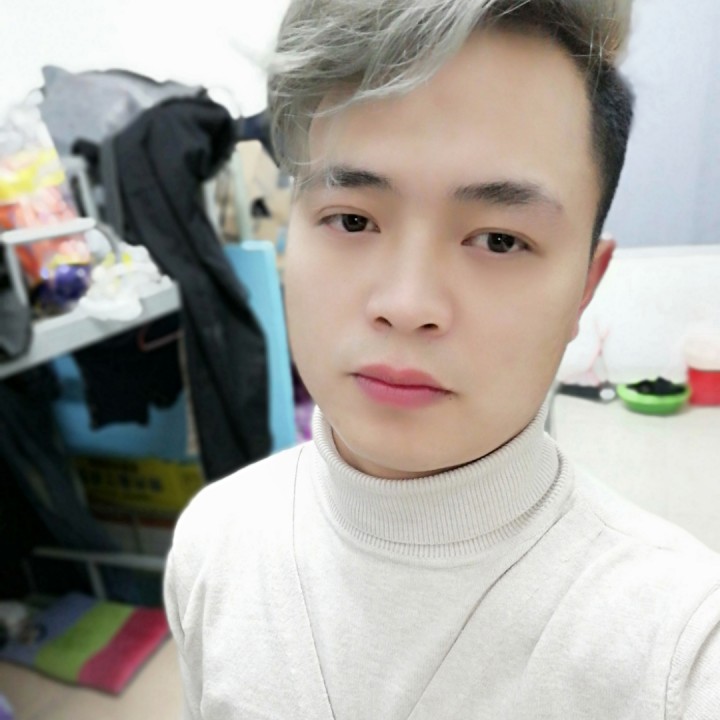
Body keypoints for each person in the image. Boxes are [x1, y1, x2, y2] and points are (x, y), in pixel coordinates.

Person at [164, 1, 720, 717]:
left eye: (498, 240)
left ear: (586, 285)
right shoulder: (214, 543)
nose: (407, 303)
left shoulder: (678, 648)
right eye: (353, 219)